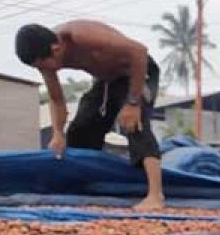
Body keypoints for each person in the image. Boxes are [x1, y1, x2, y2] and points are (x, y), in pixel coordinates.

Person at [16, 21, 164, 210]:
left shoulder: (83, 36)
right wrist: (58, 133)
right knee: (81, 129)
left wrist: (133, 103)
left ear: (56, 49)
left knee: (135, 124)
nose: (46, 70)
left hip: (138, 72)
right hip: (108, 80)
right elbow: (56, 99)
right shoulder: (44, 59)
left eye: (44, 65)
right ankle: (87, 185)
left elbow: (139, 51)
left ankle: (155, 195)